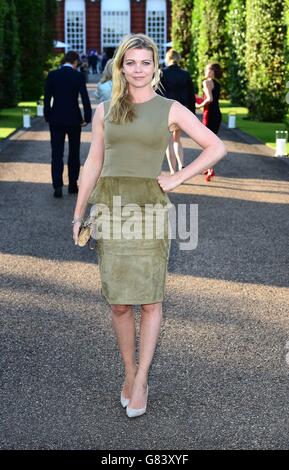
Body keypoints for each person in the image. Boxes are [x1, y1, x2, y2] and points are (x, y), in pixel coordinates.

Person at [72, 34, 226, 418]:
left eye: (145, 62)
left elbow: (216, 147)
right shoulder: (105, 109)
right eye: (131, 62)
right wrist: (78, 213)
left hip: (150, 209)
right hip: (109, 206)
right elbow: (92, 164)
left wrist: (177, 179)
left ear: (154, 67)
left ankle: (142, 379)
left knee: (151, 298)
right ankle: (128, 372)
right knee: (120, 303)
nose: (138, 69)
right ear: (121, 67)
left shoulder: (171, 108)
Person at [44, 50, 92, 198]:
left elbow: (47, 98)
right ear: (75, 62)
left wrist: (47, 115)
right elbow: (84, 98)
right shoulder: (78, 76)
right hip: (73, 118)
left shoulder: (52, 75)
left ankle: (57, 186)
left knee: (56, 154)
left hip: (56, 118)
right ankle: (72, 185)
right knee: (74, 153)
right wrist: (87, 117)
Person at [157, 49, 196, 173]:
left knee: (168, 142)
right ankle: (181, 165)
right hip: (182, 110)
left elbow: (157, 94)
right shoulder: (185, 74)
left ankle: (173, 171)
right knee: (177, 139)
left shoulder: (162, 73)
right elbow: (191, 96)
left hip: (166, 111)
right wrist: (192, 114)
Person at [196, 63, 222, 182]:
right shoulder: (217, 84)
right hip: (217, 114)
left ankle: (210, 168)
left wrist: (198, 105)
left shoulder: (206, 82)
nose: (205, 71)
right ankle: (208, 167)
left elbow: (209, 99)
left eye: (207, 69)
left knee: (207, 143)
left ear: (212, 71)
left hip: (209, 114)